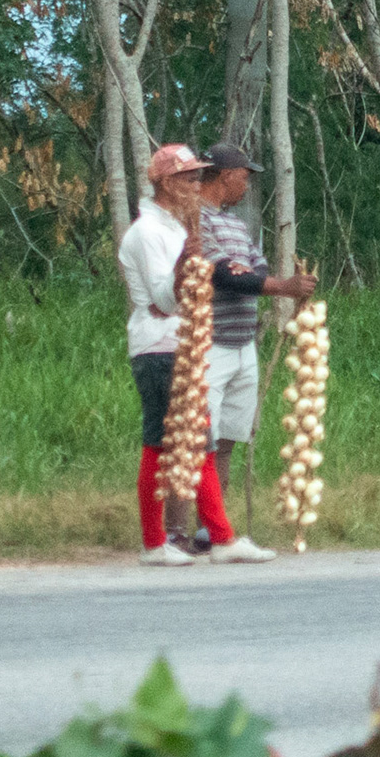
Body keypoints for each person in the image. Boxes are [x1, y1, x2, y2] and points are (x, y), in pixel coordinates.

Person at [117, 143, 276, 566]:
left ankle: (204, 538)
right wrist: (188, 268)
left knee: (190, 441)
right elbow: (164, 301)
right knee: (166, 442)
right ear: (167, 183)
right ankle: (172, 540)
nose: (196, 183)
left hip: (183, 342)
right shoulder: (149, 232)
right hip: (160, 344)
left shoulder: (174, 225)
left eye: (198, 176)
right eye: (189, 177)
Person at [196, 143, 317, 512]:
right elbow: (221, 273)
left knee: (231, 436)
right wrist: (281, 287)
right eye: (245, 178)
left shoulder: (235, 223)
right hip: (210, 344)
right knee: (204, 437)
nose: (246, 186)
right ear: (226, 175)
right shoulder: (196, 219)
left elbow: (255, 267)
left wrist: (263, 279)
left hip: (242, 343)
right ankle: (197, 524)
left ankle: (215, 524)